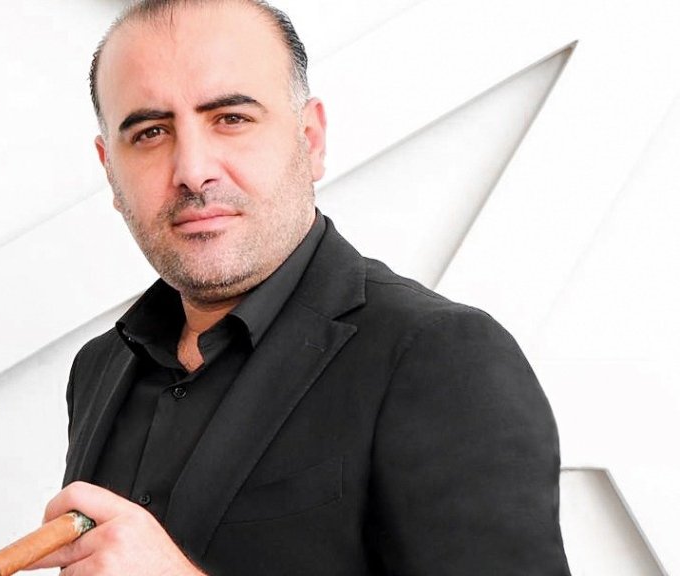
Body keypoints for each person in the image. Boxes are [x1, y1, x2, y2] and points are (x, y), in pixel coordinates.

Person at [30, 0, 571, 574]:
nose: (192, 169)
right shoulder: (99, 367)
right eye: (150, 132)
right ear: (109, 170)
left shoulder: (440, 354)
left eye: (231, 118)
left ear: (310, 139)